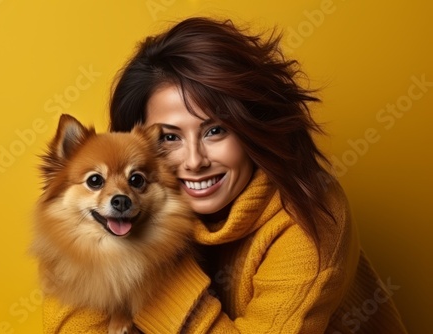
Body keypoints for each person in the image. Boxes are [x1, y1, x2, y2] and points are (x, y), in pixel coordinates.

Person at [43, 17, 408, 333]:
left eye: (215, 130)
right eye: (169, 137)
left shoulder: (310, 224)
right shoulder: (114, 207)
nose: (194, 160)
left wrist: (155, 276)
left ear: (252, 128)